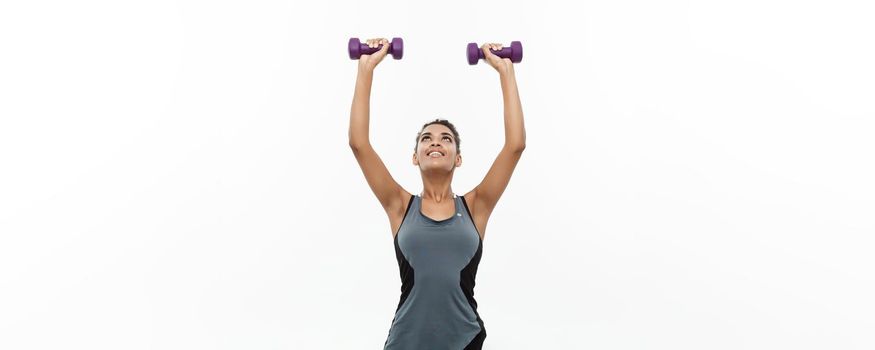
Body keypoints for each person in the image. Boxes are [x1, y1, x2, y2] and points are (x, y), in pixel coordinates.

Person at [348, 37, 526, 350]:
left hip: (463, 340)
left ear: (457, 158)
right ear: (415, 156)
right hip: (406, 342)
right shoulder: (399, 205)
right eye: (426, 138)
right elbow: (359, 143)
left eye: (446, 139)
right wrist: (367, 68)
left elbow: (515, 145)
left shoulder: (476, 206)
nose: (435, 142)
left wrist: (505, 71)